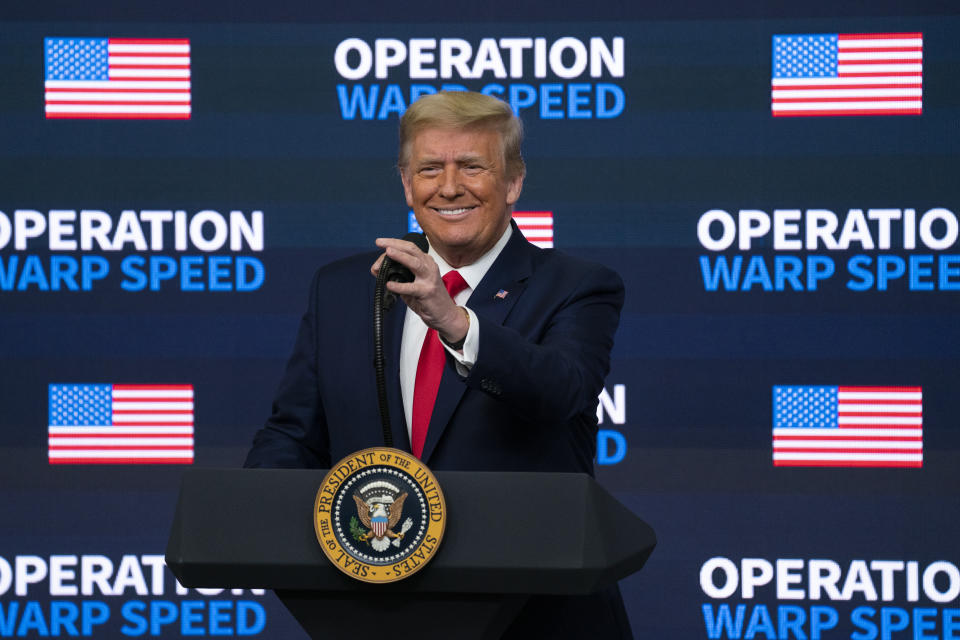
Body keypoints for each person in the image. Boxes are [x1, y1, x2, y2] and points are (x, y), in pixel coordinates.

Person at [244, 90, 630, 638]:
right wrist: (255, 518)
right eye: (430, 169)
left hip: (536, 614)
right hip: (380, 609)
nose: (449, 187)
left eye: (472, 166)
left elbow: (562, 390)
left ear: (514, 181)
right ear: (406, 183)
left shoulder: (577, 286)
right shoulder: (343, 289)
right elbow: (294, 434)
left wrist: (453, 321)